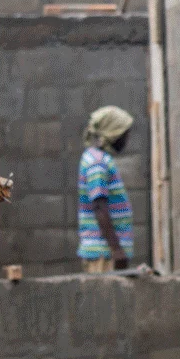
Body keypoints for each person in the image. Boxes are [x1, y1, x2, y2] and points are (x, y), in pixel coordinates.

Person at [77, 105, 135, 273]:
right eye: (124, 134)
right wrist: (116, 249)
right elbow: (99, 206)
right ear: (112, 134)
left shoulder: (98, 158)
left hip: (104, 251)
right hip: (103, 254)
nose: (126, 139)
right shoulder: (98, 163)